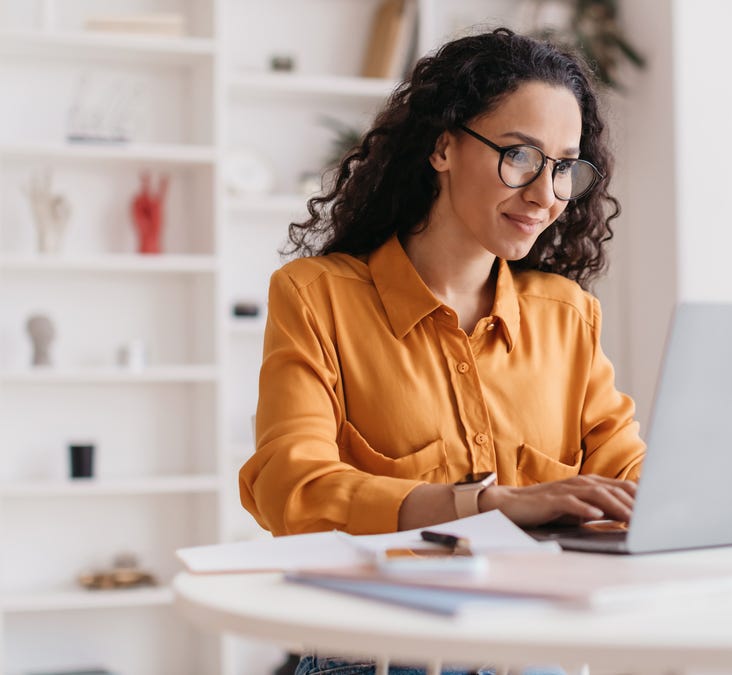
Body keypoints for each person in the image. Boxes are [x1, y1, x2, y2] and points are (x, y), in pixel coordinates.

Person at [238, 28, 645, 675]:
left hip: (537, 646)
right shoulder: (318, 298)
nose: (545, 195)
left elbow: (627, 478)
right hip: (380, 654)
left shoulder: (566, 315)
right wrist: (482, 505)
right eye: (520, 156)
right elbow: (291, 485)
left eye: (564, 166)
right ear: (443, 147)